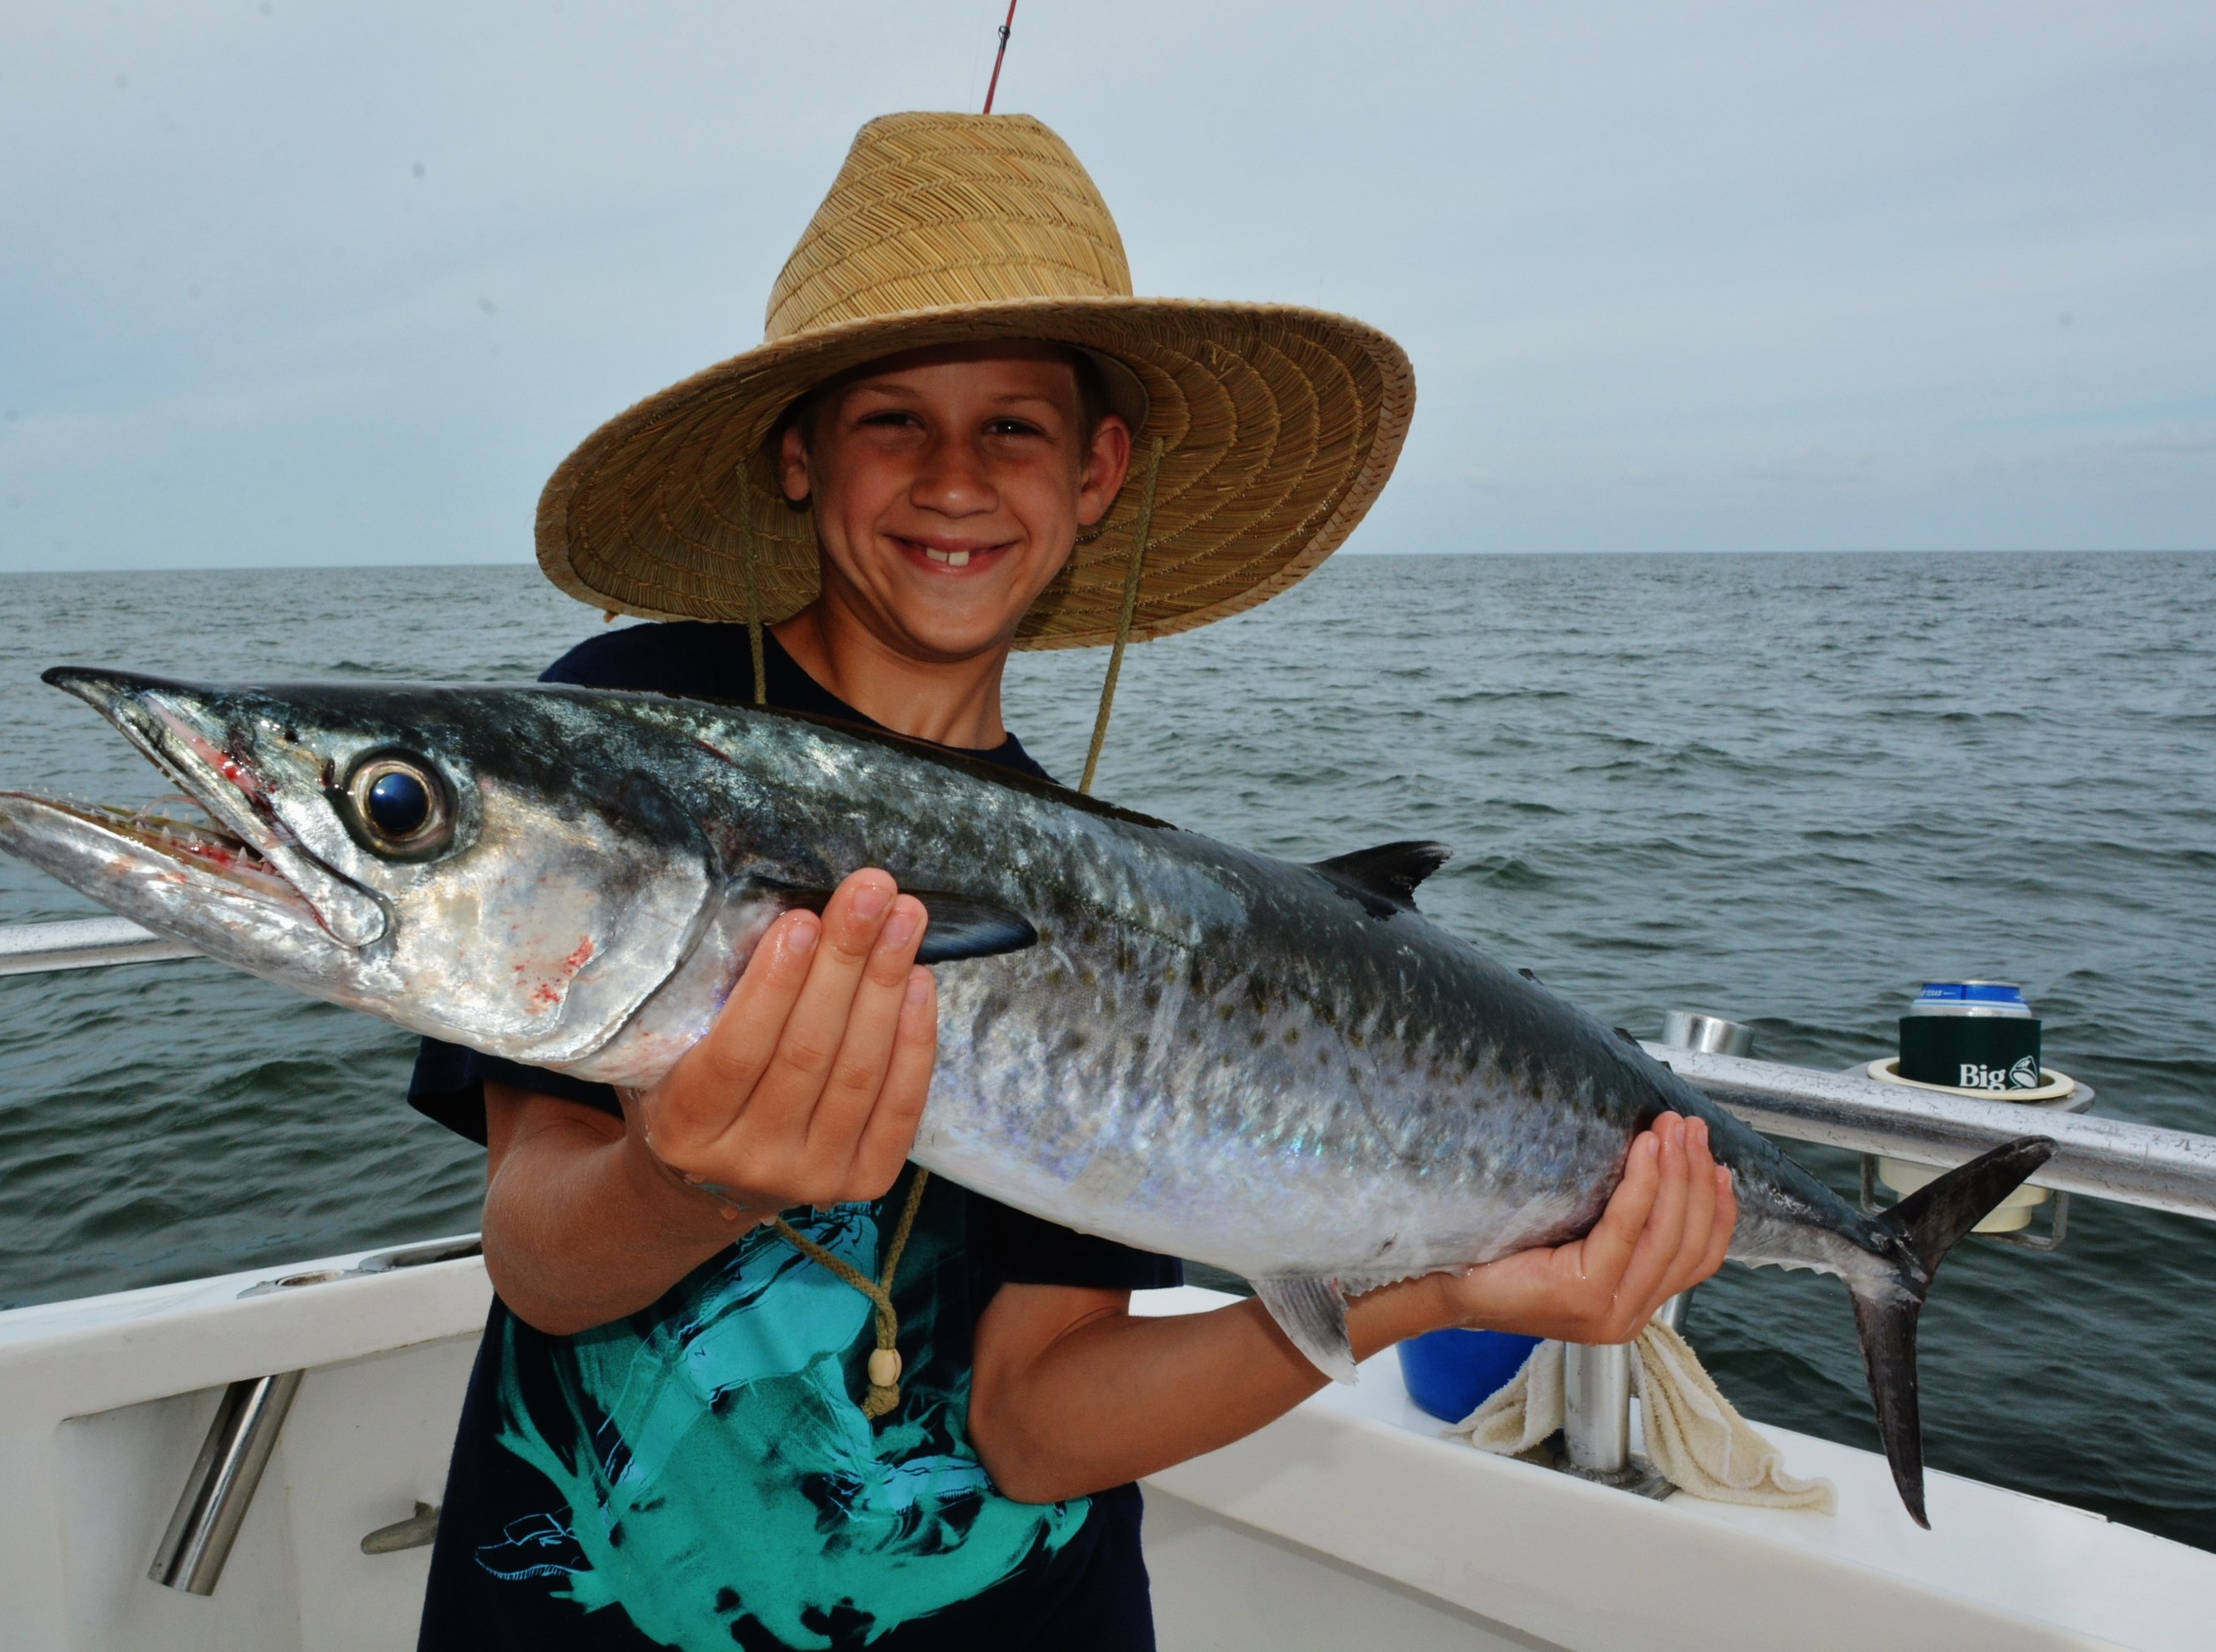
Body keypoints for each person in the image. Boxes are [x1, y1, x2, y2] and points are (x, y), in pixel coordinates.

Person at [407, 112, 1736, 1651]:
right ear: (801, 454)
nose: (954, 480)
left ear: (1097, 470)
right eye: (893, 419)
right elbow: (547, 1261)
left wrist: (1434, 1294)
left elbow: (1038, 1427)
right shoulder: (638, 734)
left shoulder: (1144, 920)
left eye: (1014, 428)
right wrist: (681, 1182)